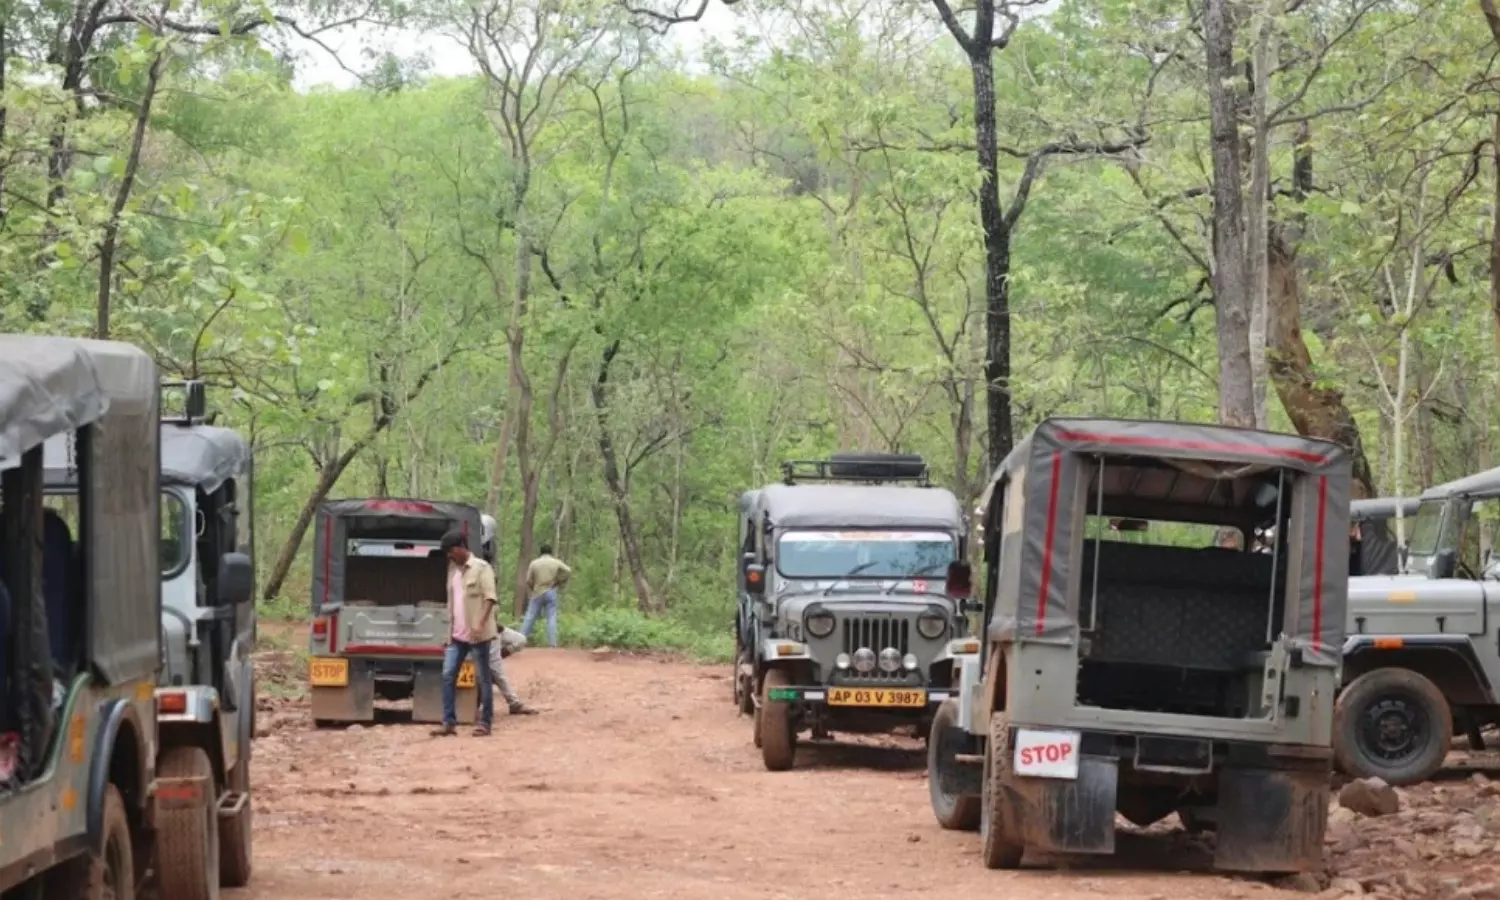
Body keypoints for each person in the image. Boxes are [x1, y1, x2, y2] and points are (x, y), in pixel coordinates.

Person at [431, 529, 498, 738]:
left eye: (450, 552)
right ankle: (449, 722)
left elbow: (490, 598)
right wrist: (447, 631)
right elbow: (453, 604)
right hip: (456, 636)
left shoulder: (481, 568)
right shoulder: (453, 571)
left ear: (461, 548)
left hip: (477, 634)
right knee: (447, 675)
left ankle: (485, 723)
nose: (449, 556)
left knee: (483, 678)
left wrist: (479, 624)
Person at [522, 543, 571, 648]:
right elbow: (568, 570)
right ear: (550, 552)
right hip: (551, 591)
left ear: (541, 552)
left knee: (530, 616)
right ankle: (552, 643)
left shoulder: (534, 563)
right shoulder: (555, 562)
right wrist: (559, 581)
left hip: (538, 591)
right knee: (551, 617)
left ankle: (520, 640)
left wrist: (532, 587)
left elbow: (528, 580)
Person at [488, 627, 538, 716]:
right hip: (479, 631)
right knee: (497, 671)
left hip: (492, 629)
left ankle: (492, 661)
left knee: (520, 640)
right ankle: (514, 703)